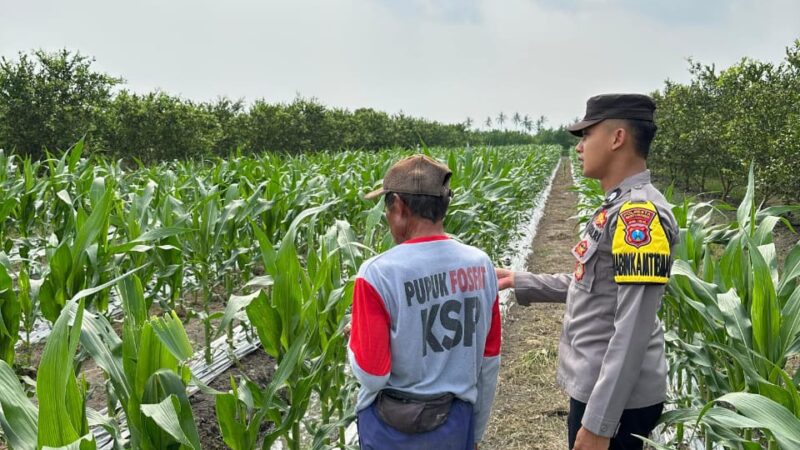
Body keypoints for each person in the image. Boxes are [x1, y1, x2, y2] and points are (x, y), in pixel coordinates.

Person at [496, 93, 678, 450]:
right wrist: (521, 281)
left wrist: (599, 424)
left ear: (617, 138)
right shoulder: (618, 204)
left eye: (586, 135)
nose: (579, 148)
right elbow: (594, 285)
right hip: (603, 389)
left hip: (616, 400)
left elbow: (633, 329)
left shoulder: (637, 214)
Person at [348, 154, 501, 450]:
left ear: (401, 207)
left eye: (387, 208)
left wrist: (355, 336)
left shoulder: (376, 274)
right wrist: (476, 434)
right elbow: (488, 361)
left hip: (390, 431)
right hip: (455, 423)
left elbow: (373, 375)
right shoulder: (481, 265)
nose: (387, 218)